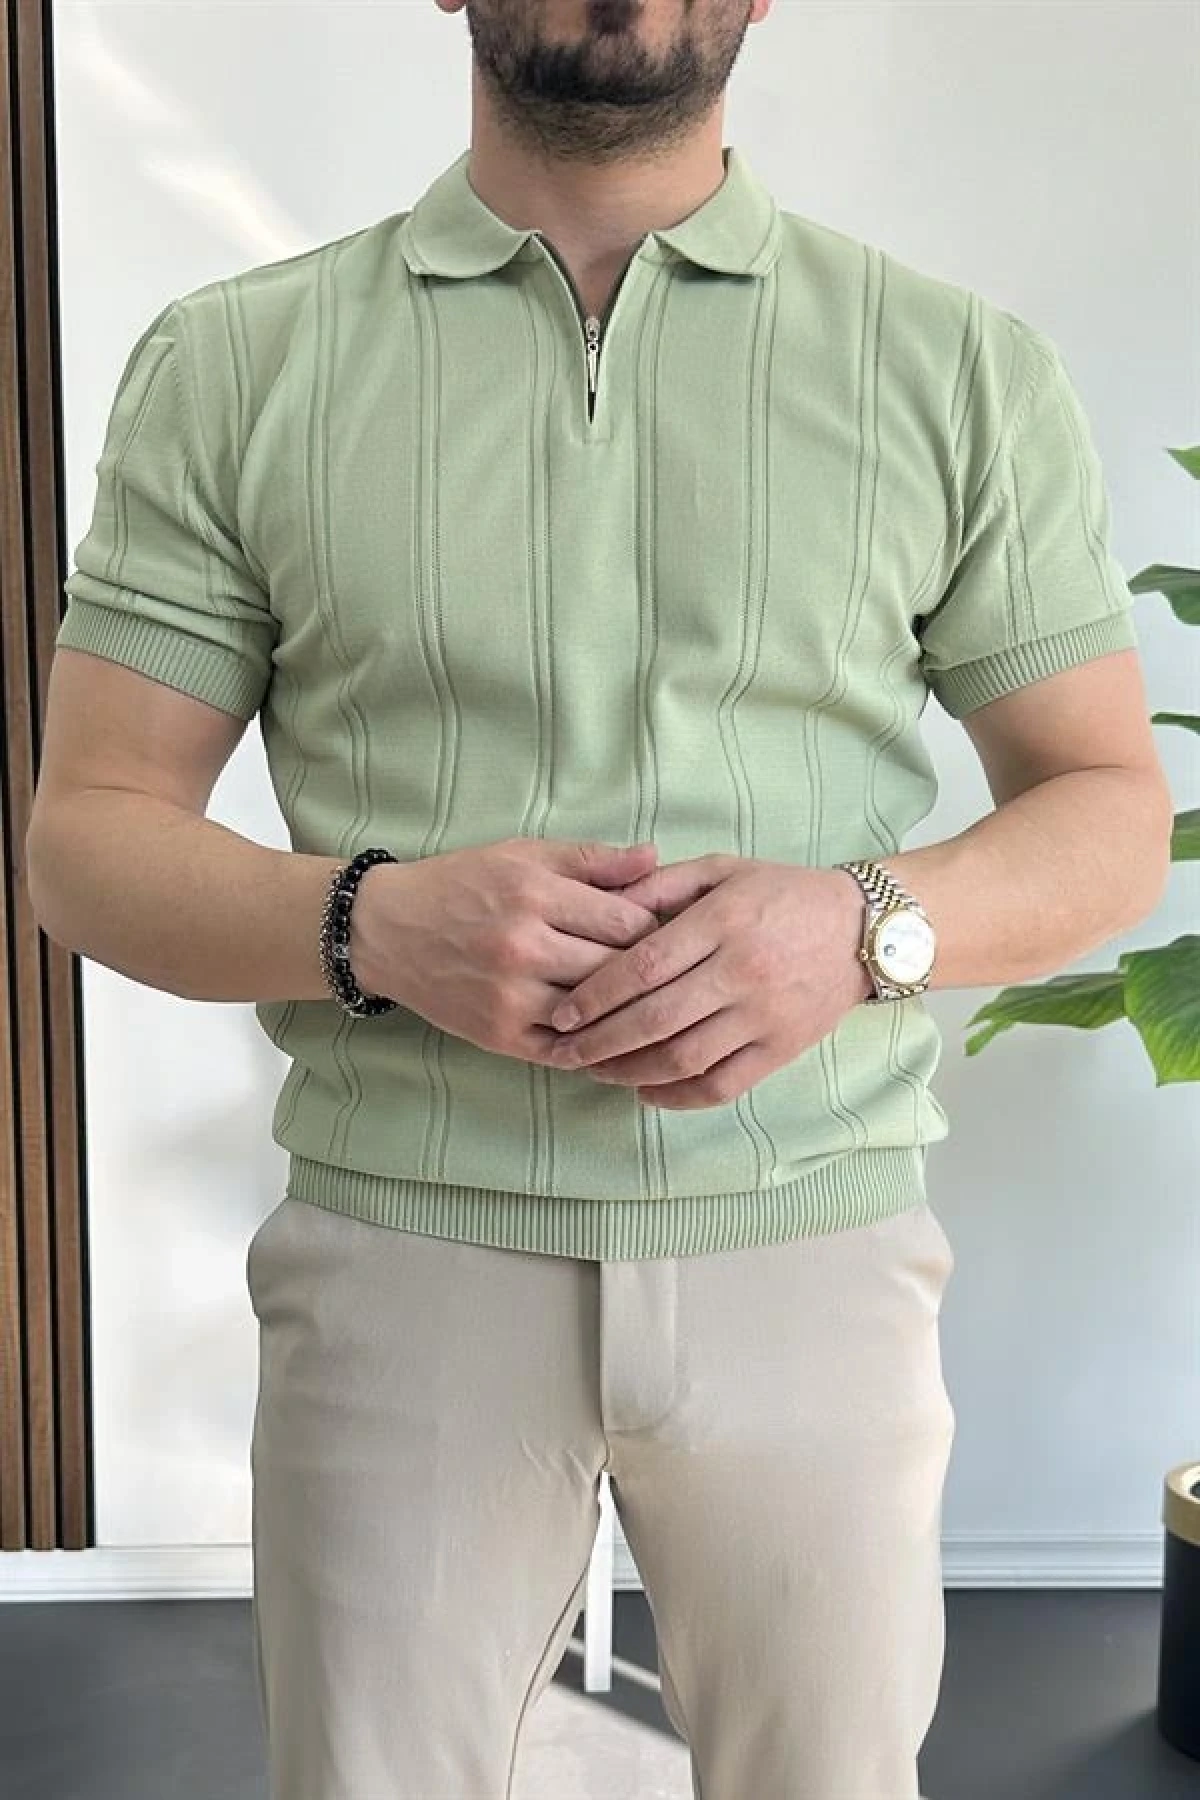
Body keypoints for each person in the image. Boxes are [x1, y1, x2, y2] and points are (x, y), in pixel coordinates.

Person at [26, 1, 1173, 1796]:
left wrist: (859, 927)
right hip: (403, 1252)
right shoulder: (237, 363)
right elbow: (88, 836)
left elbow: (1106, 805)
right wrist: (371, 923)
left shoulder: (952, 368)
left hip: (811, 1242)